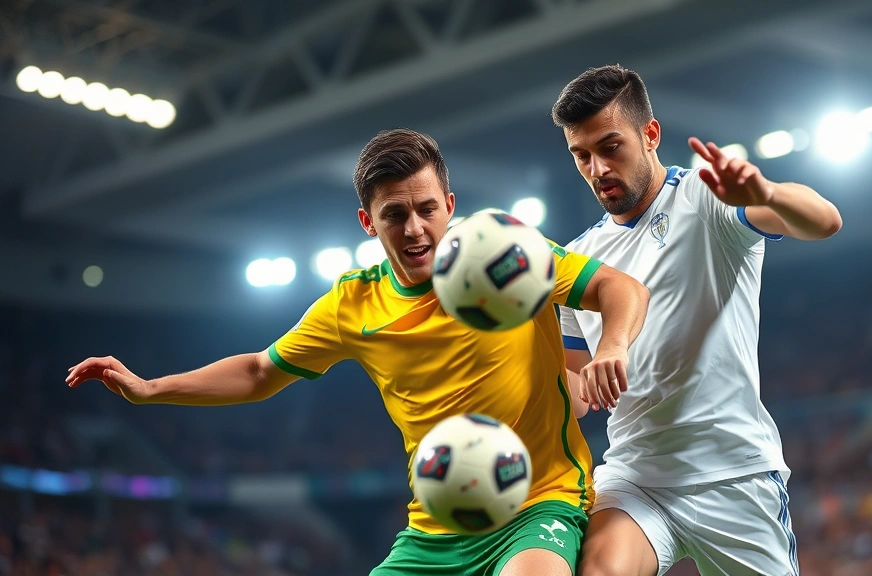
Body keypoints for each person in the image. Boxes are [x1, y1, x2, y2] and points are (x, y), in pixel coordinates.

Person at [66, 128, 650, 576]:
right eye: (395, 215)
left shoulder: (504, 252)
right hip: (436, 527)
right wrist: (150, 389)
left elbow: (617, 287)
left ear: (450, 203)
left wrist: (613, 344)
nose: (415, 228)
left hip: (538, 503)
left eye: (426, 209)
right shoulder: (352, 305)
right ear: (369, 222)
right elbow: (257, 371)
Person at [551, 65, 843, 576]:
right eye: (582, 155)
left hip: (734, 473)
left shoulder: (705, 200)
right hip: (636, 478)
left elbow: (825, 221)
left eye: (610, 147)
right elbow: (573, 394)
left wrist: (765, 194)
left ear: (650, 134)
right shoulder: (579, 259)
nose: (597, 168)